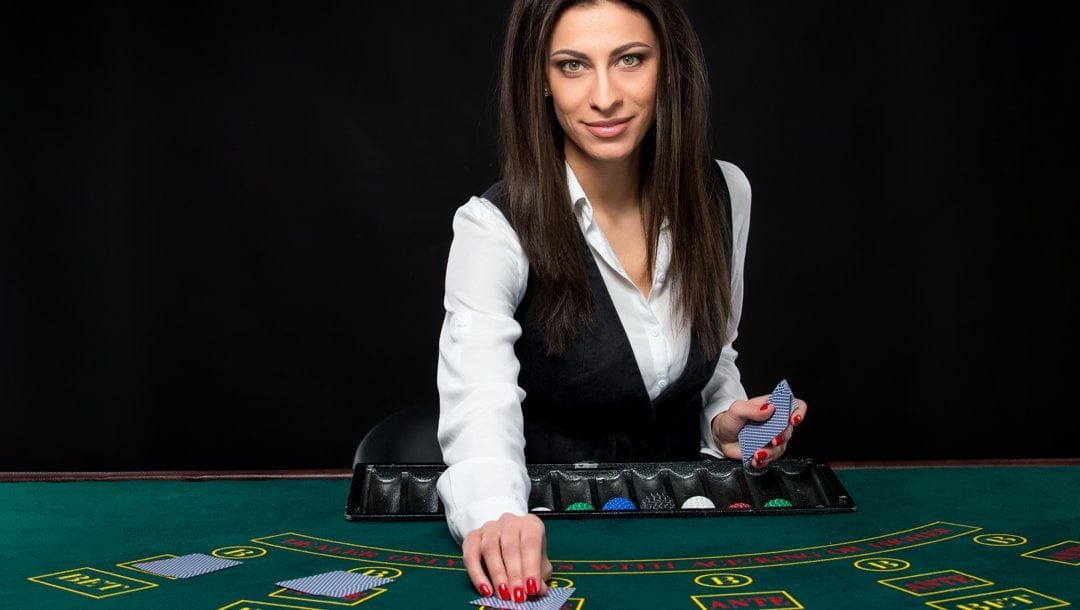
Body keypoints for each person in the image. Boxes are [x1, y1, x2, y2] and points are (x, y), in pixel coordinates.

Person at [435, 0, 808, 603]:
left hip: (688, 534)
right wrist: (498, 515)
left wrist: (725, 421)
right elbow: (480, 402)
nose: (604, 96)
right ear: (542, 82)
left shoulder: (726, 195)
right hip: (551, 529)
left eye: (630, 59)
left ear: (669, 68)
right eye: (573, 65)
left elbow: (717, 357)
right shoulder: (492, 228)